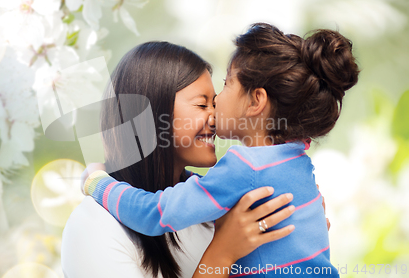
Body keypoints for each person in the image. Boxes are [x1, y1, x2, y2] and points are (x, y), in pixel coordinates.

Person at [82, 23, 357, 277]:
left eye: (225, 86)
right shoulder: (296, 158)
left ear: (256, 101)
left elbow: (155, 213)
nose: (214, 113)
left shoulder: (244, 166)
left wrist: (97, 183)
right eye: (203, 105)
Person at [61, 41, 299, 278]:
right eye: (202, 104)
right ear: (150, 114)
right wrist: (223, 252)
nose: (216, 118)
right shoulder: (93, 225)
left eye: (215, 104)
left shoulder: (215, 211)